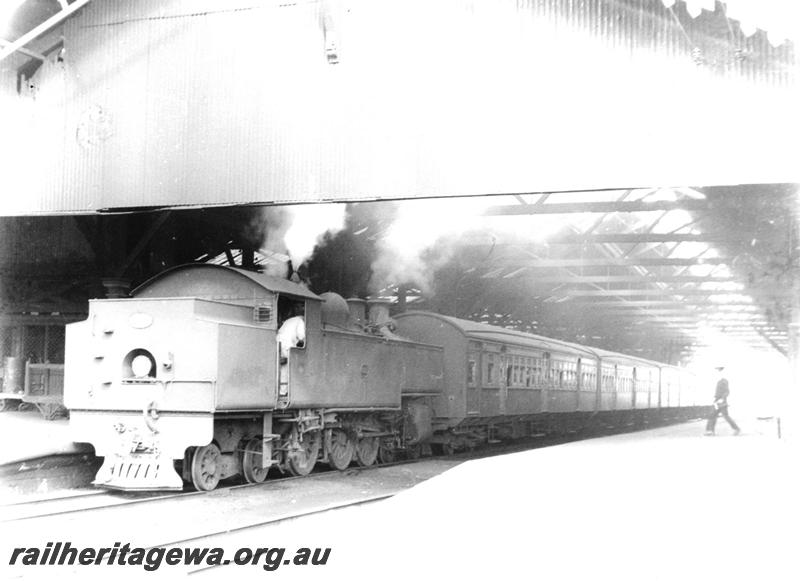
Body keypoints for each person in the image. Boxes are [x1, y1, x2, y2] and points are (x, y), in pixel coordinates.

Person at [705, 366, 740, 436]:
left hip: (721, 402)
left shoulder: (724, 381)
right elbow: (717, 392)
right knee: (712, 415)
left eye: (718, 371)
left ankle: (736, 429)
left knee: (725, 416)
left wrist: (722, 399)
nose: (717, 373)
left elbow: (727, 391)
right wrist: (714, 398)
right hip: (716, 402)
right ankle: (710, 431)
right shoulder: (718, 381)